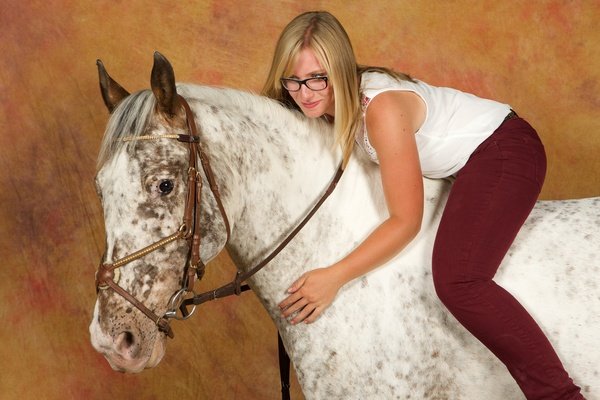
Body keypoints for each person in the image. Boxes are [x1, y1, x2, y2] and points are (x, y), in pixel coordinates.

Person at [262, 10, 583, 400]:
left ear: (342, 69)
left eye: (317, 78)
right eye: (293, 81)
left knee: (459, 280)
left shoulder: (380, 109)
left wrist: (335, 276)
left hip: (503, 149)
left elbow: (405, 221)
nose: (306, 92)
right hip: (465, 165)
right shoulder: (316, 104)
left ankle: (561, 395)